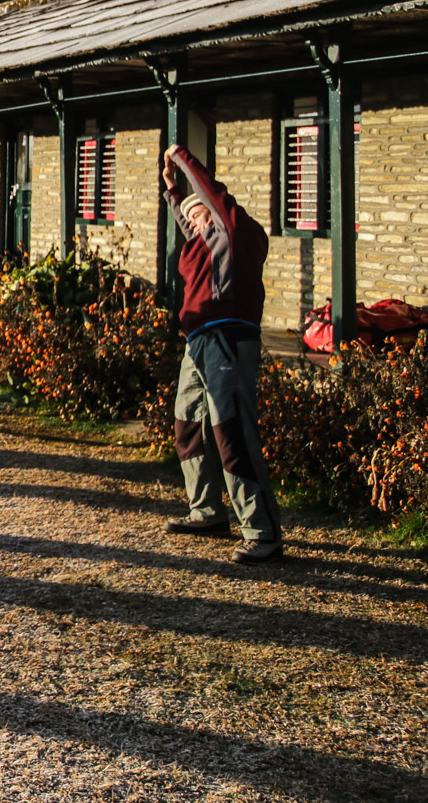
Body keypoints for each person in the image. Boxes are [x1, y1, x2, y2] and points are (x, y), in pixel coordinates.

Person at [161, 144, 281, 563]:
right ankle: (206, 510)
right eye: (189, 218)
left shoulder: (233, 233)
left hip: (228, 337)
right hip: (197, 342)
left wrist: (184, 159)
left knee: (231, 430)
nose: (193, 221)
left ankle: (262, 531)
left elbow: (214, 197)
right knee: (188, 422)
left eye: (200, 214)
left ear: (215, 213)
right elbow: (185, 215)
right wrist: (172, 191)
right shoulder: (199, 244)